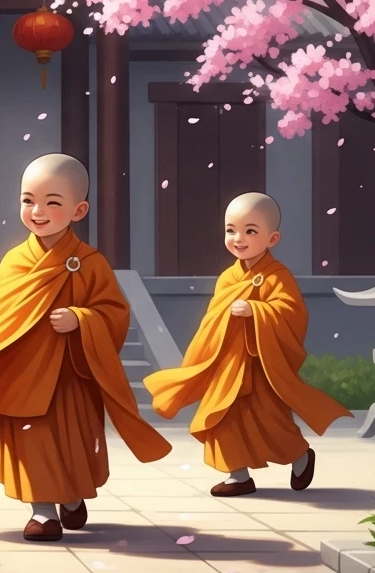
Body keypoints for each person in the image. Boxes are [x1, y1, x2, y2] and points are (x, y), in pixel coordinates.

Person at [0, 154, 171, 541]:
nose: (38, 211)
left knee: (73, 441)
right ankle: (43, 512)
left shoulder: (90, 263)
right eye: (28, 200)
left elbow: (114, 313)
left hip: (69, 375)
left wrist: (81, 318)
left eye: (52, 202)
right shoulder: (15, 260)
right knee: (32, 443)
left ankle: (73, 496)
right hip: (24, 373)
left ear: (79, 210)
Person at [144, 192, 350, 496]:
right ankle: (238, 476)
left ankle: (300, 456)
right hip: (228, 363)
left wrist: (256, 310)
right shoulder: (228, 277)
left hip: (258, 365)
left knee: (270, 421)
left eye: (250, 231)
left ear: (272, 238)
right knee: (221, 418)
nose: (238, 238)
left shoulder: (278, 276)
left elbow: (292, 313)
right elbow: (213, 320)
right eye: (231, 230)